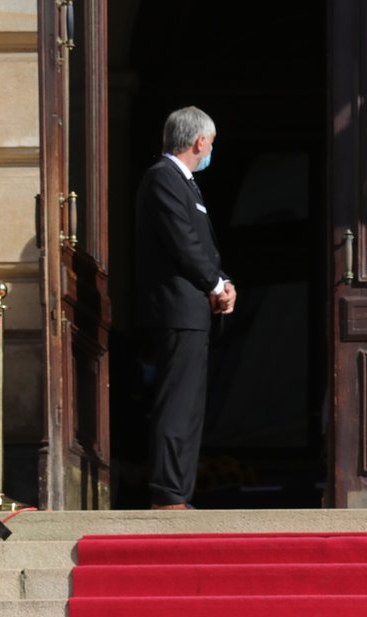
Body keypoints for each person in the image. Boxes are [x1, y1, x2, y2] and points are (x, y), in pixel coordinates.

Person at [135, 105, 236, 510]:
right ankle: (167, 494)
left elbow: (201, 247)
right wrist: (214, 283)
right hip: (177, 310)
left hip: (193, 311)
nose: (210, 149)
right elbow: (182, 242)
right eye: (210, 143)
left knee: (190, 406)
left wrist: (224, 282)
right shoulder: (163, 178)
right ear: (199, 141)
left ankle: (179, 492)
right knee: (177, 403)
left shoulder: (185, 183)